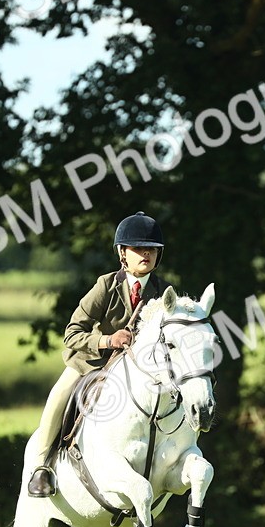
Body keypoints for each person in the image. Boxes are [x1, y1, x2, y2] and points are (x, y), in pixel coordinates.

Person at [25, 211, 169, 497]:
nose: (146, 254)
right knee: (60, 394)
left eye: (152, 249)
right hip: (92, 364)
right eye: (138, 248)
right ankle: (42, 466)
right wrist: (107, 340)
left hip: (139, 369)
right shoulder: (106, 285)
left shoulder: (164, 291)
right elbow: (72, 333)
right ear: (122, 253)